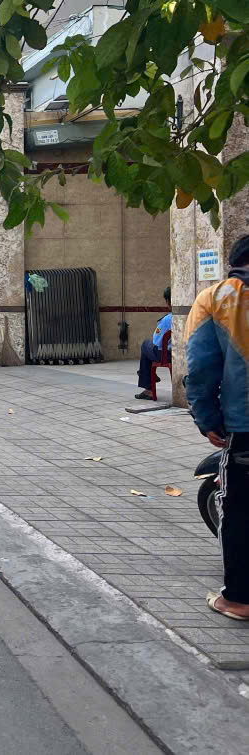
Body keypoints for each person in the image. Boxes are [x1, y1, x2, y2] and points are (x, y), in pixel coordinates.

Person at [186, 235, 249, 621]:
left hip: (244, 426)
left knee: (240, 509)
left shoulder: (217, 298)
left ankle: (238, 599)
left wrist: (208, 419)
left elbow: (200, 368)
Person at [135, 287, 173, 400]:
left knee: (146, 344)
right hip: (184, 354)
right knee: (148, 349)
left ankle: (148, 386)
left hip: (166, 355)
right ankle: (146, 375)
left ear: (168, 301)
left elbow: (157, 342)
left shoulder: (168, 319)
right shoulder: (190, 315)